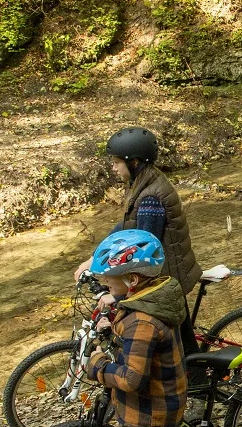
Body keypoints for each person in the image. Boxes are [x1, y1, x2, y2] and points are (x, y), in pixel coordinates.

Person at [84, 229, 197, 427]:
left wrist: (98, 367)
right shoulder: (149, 300)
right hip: (163, 398)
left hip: (155, 409)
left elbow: (132, 379)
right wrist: (114, 320)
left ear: (132, 280)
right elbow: (131, 323)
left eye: (110, 281)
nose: (107, 286)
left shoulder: (142, 322)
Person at [75, 127, 202, 355]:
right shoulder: (143, 184)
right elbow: (125, 229)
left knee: (171, 350)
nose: (113, 168)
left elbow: (142, 255)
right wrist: (93, 259)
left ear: (133, 162)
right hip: (168, 275)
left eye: (116, 162)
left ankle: (191, 382)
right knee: (181, 344)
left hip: (165, 280)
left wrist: (116, 295)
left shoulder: (150, 199)